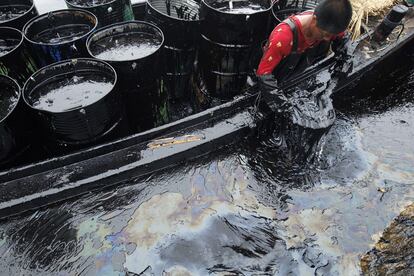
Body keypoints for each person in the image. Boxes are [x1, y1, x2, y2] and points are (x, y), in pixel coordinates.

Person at [256, 0, 353, 91]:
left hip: (310, 76)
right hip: (281, 81)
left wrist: (344, 65)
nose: (328, 39)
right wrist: (284, 106)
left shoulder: (329, 27)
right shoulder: (283, 38)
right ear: (314, 20)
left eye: (332, 35)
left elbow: (344, 41)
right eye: (325, 34)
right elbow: (263, 74)